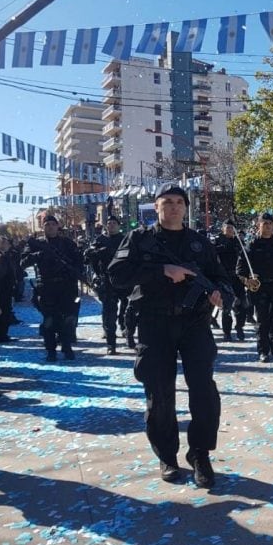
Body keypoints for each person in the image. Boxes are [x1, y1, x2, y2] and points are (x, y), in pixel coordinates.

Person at [107, 183, 230, 488]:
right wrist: (162, 270)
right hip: (154, 323)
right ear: (157, 207)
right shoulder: (139, 239)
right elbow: (117, 274)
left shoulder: (200, 243)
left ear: (186, 208)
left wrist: (221, 293)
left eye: (179, 202)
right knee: (159, 394)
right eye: (167, 202)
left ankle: (200, 453)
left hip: (194, 324)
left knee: (204, 391)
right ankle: (167, 456)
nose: (173, 207)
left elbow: (221, 278)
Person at [21, 215, 82, 362]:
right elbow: (23, 262)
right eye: (47, 224)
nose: (50, 227)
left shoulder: (67, 243)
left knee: (68, 318)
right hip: (46, 287)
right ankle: (51, 350)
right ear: (42, 227)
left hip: (66, 286)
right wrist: (39, 255)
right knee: (49, 320)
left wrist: (74, 272)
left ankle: (66, 347)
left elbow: (79, 262)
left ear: (58, 226)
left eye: (53, 224)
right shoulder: (36, 244)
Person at [237, 213, 273, 362]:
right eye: (264, 223)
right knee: (263, 320)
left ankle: (272, 341)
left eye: (270, 223)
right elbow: (240, 269)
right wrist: (247, 281)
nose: (267, 226)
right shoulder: (251, 246)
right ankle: (263, 351)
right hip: (260, 288)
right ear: (259, 225)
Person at [85, 216, 127, 354]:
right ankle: (111, 343)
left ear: (119, 225)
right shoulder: (100, 240)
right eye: (109, 223)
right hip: (107, 280)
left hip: (124, 280)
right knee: (109, 311)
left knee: (127, 310)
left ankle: (126, 331)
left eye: (114, 223)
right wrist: (98, 252)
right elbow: (88, 256)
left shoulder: (125, 239)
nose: (111, 225)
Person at [213, 220, 248, 341]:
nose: (229, 230)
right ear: (223, 229)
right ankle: (227, 332)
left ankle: (239, 327)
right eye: (227, 228)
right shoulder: (218, 241)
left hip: (238, 277)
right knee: (227, 306)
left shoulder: (238, 242)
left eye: (231, 228)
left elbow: (245, 257)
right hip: (224, 278)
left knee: (242, 304)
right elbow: (212, 256)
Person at [0, 236, 16, 343]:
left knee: (5, 313)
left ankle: (2, 334)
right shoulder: (0, 257)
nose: (7, 244)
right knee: (2, 313)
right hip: (2, 290)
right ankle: (0, 336)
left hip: (5, 289)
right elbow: (0, 274)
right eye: (3, 242)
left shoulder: (4, 255)